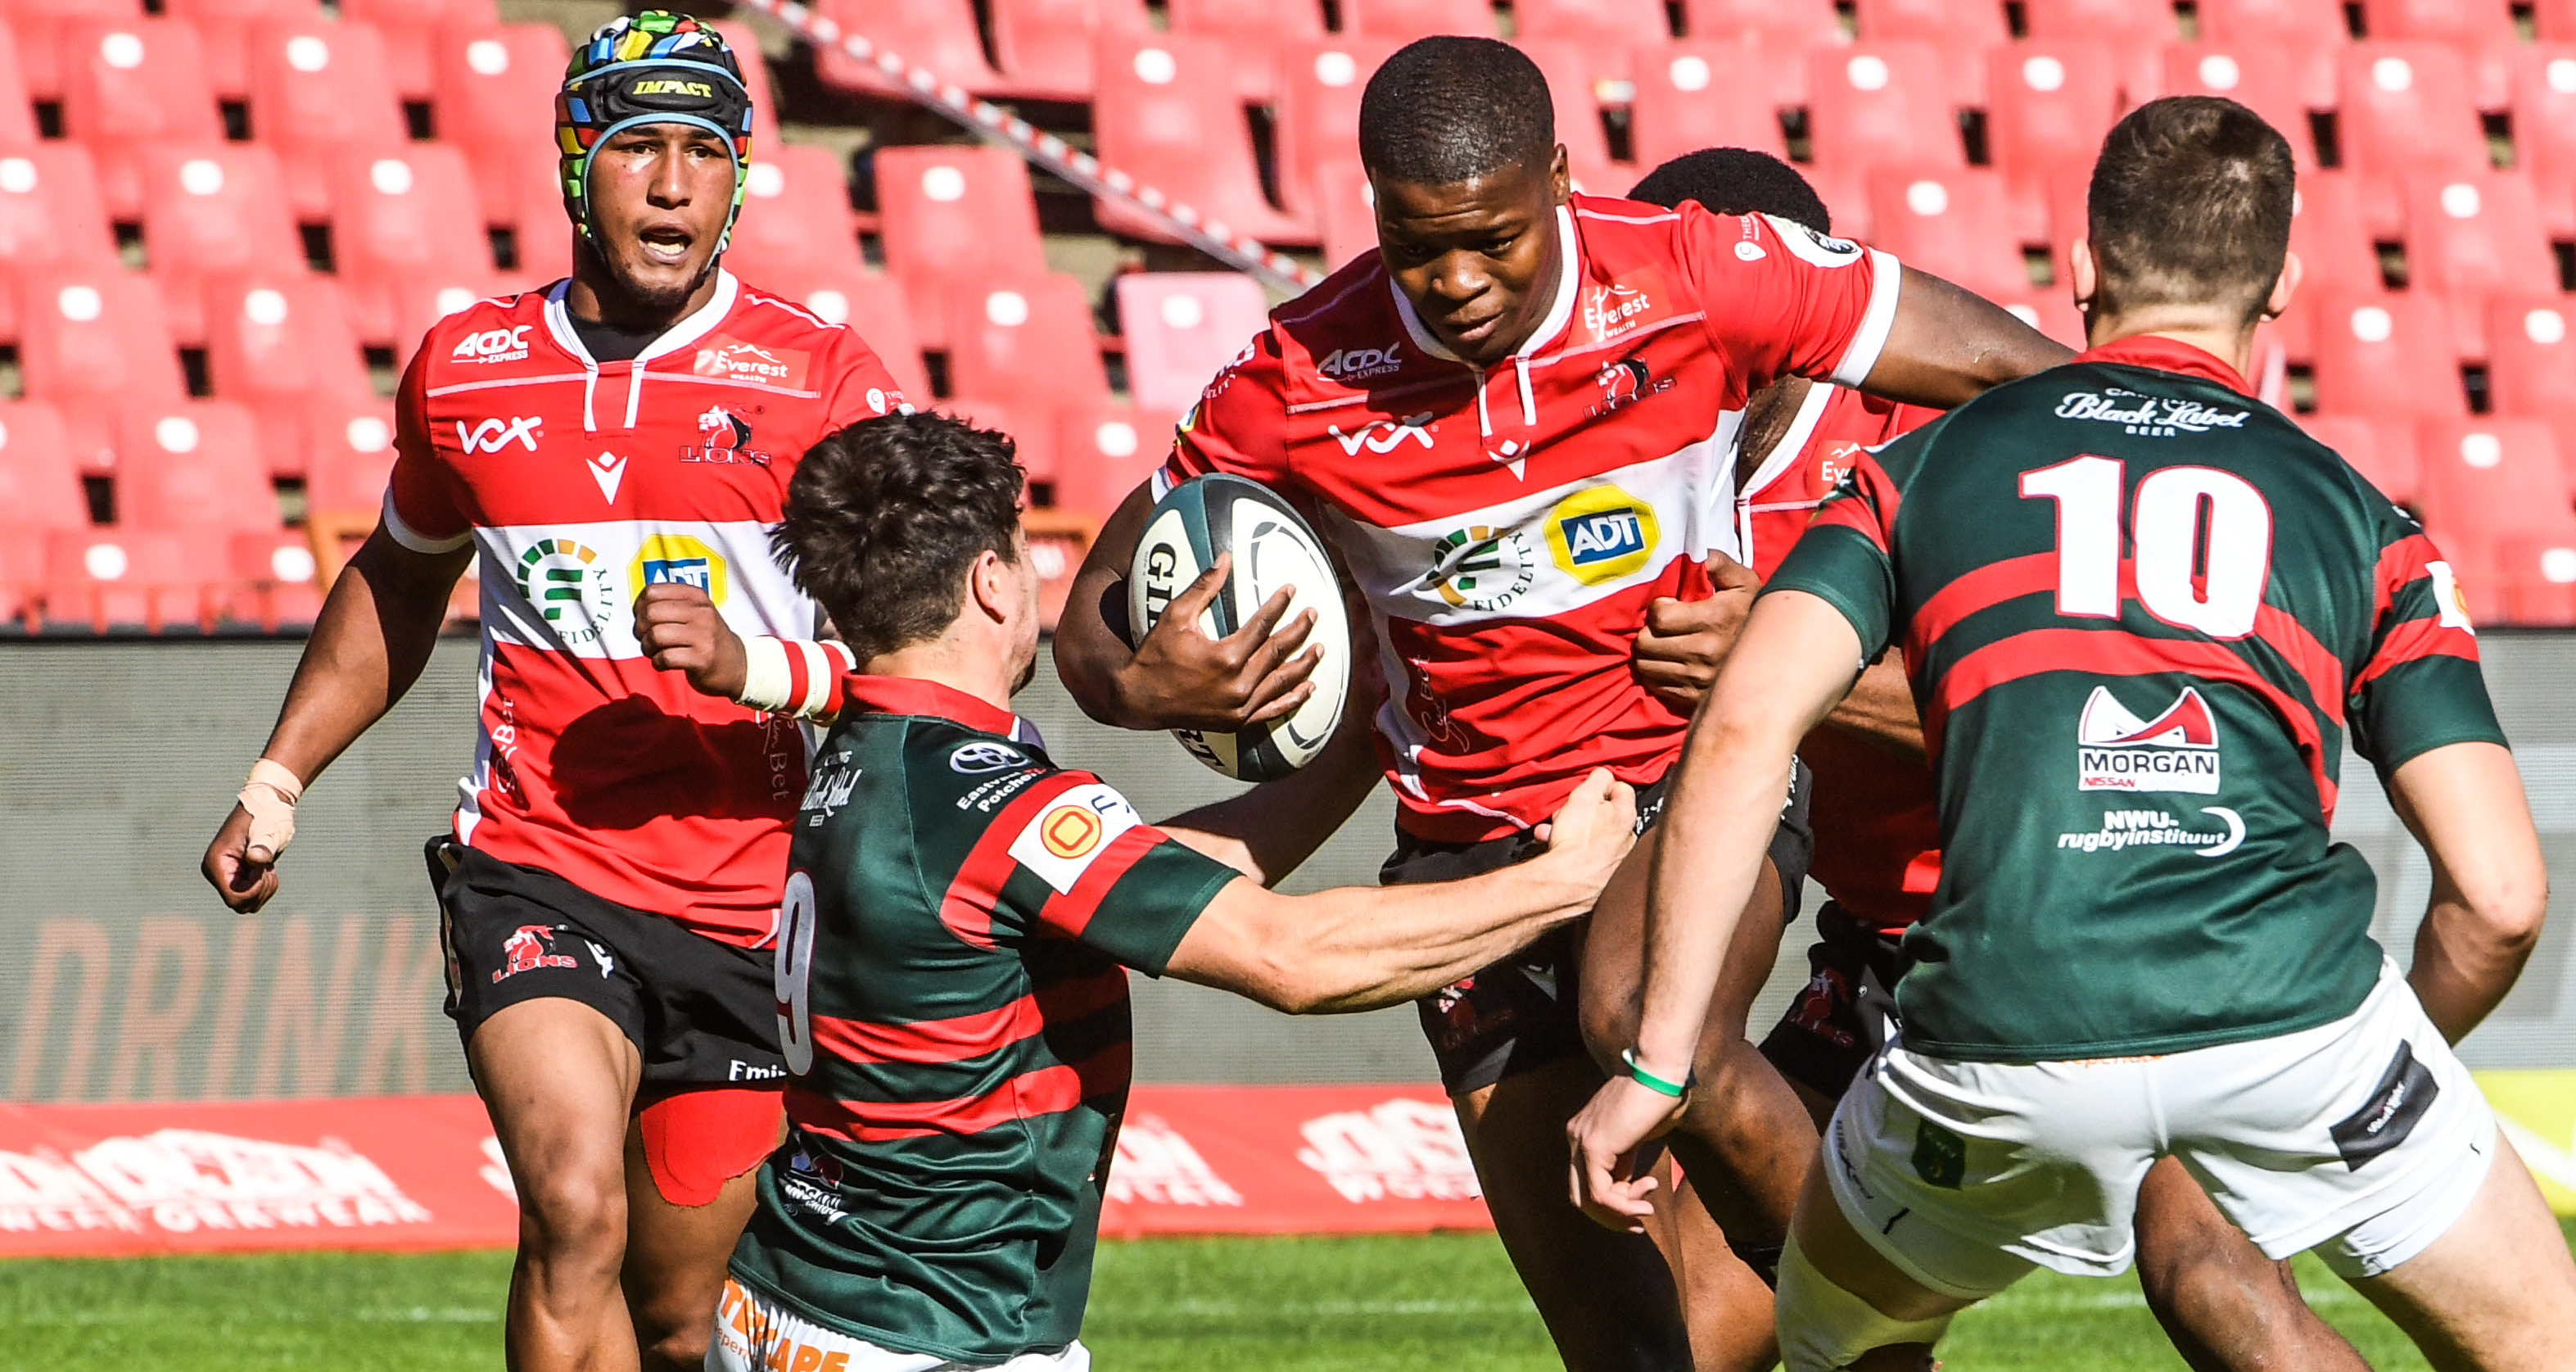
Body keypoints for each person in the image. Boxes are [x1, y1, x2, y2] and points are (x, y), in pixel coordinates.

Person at [1048, 35, 2072, 1370]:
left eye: (1494, 240)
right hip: (1462, 857)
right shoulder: (1295, 377)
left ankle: (1882, 1356)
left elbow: (2025, 377)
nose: (1457, 282)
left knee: (1644, 1024)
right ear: (1371, 210)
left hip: (1681, 785)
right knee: (1628, 1345)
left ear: (1562, 181)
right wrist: (1136, 681)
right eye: (1417, 246)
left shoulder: (1701, 274)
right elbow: (1092, 614)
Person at [1567, 97, 2576, 1372]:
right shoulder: (2360, 514)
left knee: (1865, 1329)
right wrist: (2366, 1062)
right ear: (2282, 284)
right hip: (2245, 998)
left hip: (1987, 992)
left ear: (2078, 267)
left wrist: (1653, 1061)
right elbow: (2501, 897)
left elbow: (1749, 722)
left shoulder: (1921, 459)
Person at [196, 16, 906, 1370]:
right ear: (576, 163)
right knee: (573, 1209)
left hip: (750, 899)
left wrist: (756, 668)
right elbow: (401, 576)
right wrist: (276, 779)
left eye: (707, 151)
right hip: (537, 870)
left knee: (684, 1319)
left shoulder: (823, 379)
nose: (673, 184)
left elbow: (933, 648)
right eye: (637, 147)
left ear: (741, 176)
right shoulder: (466, 368)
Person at [1610, 148, 2376, 1372]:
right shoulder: (1627, 461)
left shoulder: (1939, 439)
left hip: (2107, 927)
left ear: (1786, 301)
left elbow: (2087, 702)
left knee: (2213, 1281)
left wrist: (1779, 674)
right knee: (1696, 1340)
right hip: (1885, 959)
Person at [708, 409, 1636, 1372]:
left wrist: (1371, 718)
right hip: (930, 1328)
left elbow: (1157, 878)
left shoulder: (873, 757)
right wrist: (1561, 879)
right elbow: (1292, 958)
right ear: (990, 580)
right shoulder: (985, 795)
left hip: (787, 1294)